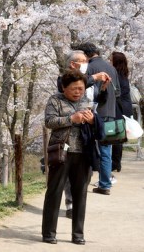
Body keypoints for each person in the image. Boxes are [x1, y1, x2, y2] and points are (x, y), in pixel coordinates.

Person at [42, 70, 100, 245]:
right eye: (74, 88)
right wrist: (71, 119)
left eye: (81, 88)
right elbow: (49, 122)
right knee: (54, 192)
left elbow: (95, 124)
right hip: (61, 152)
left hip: (83, 153)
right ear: (64, 87)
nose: (78, 92)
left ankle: (78, 234)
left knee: (80, 194)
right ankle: (49, 233)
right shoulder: (55, 100)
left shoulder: (86, 101)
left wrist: (92, 121)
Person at [56, 50, 110, 218]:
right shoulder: (64, 78)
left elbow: (98, 101)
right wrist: (94, 79)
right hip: (68, 132)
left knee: (85, 172)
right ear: (73, 64)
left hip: (87, 131)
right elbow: (62, 87)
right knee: (67, 169)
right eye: (83, 61)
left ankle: (79, 201)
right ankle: (70, 203)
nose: (87, 63)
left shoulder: (90, 79)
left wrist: (103, 89)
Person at [75, 42, 120, 195]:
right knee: (106, 149)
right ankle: (105, 184)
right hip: (110, 112)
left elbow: (79, 87)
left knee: (85, 145)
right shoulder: (112, 68)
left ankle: (82, 179)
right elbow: (118, 91)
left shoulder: (88, 68)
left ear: (86, 55)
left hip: (92, 113)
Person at [110, 51, 132, 172]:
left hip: (119, 107)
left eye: (111, 59)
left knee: (116, 136)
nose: (109, 61)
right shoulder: (123, 74)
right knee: (118, 136)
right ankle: (116, 163)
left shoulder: (115, 75)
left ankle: (115, 164)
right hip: (125, 107)